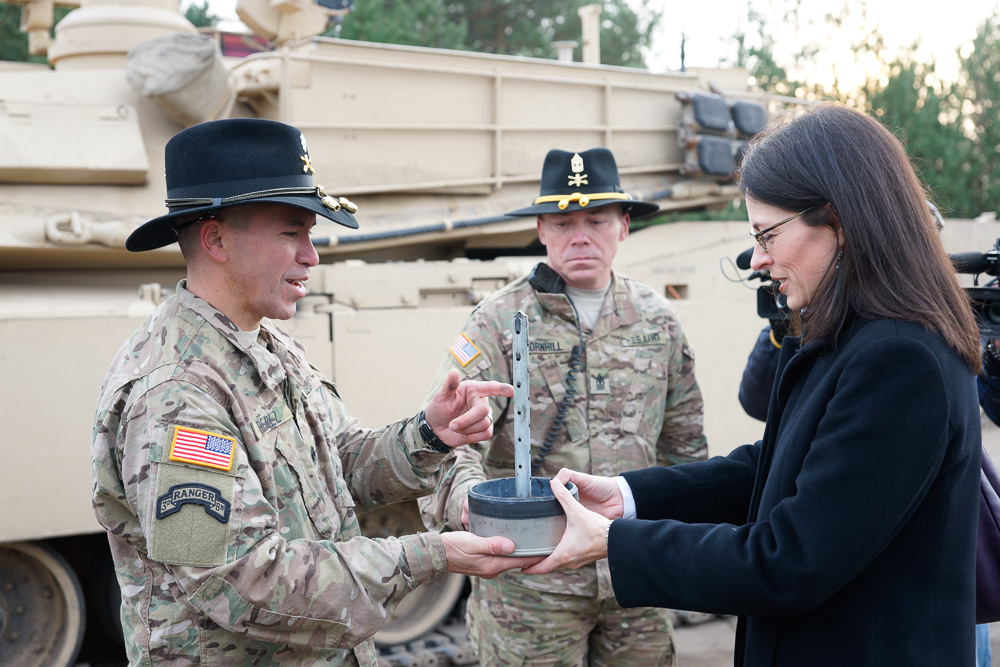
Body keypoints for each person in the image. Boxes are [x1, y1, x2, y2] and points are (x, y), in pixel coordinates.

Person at [524, 103, 983, 666]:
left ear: (838, 220)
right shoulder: (862, 338)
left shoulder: (900, 358)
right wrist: (628, 497)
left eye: (767, 234)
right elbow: (777, 467)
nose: (759, 259)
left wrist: (614, 543)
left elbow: (789, 560)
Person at [90, 118, 543, 666]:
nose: (312, 255)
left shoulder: (268, 345)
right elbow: (240, 582)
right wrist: (431, 555)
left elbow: (341, 466)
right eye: (291, 233)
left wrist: (429, 434)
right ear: (215, 239)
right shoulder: (175, 394)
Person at [417, 147, 708, 665]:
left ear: (624, 226)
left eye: (597, 219)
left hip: (635, 574)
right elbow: (449, 440)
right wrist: (467, 501)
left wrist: (685, 550)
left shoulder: (656, 320)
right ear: (541, 228)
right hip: (532, 584)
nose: (580, 235)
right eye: (563, 221)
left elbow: (685, 445)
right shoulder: (498, 321)